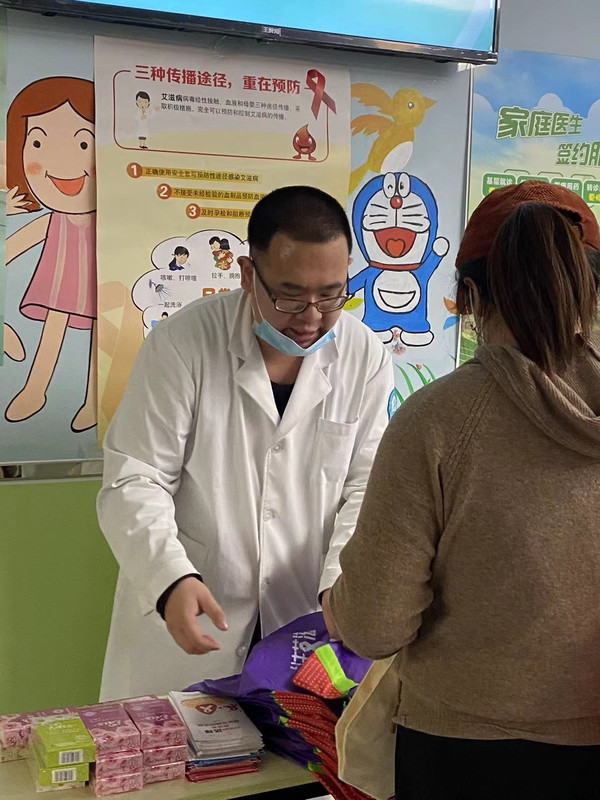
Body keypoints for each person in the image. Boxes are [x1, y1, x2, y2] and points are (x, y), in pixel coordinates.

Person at [329, 181, 600, 800]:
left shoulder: (435, 421)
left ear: (469, 298)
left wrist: (341, 603)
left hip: (464, 751)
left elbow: (373, 626)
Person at [97, 185, 394, 700]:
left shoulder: (363, 355)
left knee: (294, 748)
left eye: (331, 294)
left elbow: (366, 485)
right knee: (183, 746)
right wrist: (169, 578)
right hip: (196, 610)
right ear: (248, 274)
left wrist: (341, 582)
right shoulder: (182, 346)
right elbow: (135, 479)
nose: (311, 317)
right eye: (290, 296)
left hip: (303, 620)